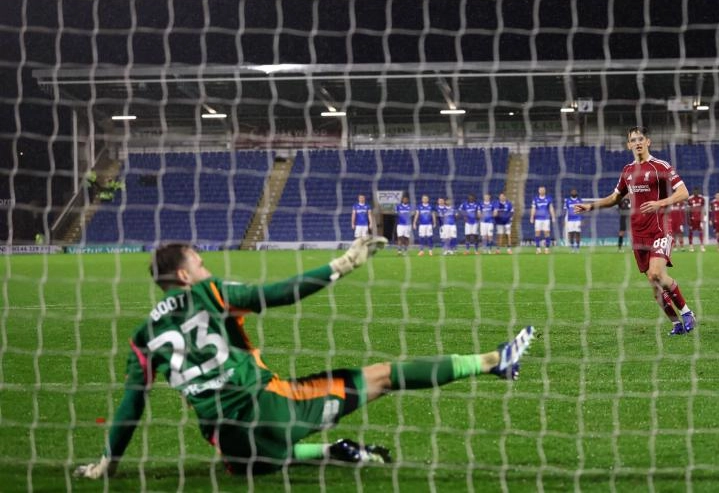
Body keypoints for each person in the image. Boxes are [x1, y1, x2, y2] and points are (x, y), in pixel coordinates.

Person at [73, 239, 535, 479]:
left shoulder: (142, 336)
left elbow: (131, 405)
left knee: (250, 460)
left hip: (227, 443)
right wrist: (341, 265)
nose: (206, 268)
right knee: (381, 376)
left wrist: (109, 464)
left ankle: (330, 452)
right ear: (183, 274)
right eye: (200, 262)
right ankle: (493, 361)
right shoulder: (209, 294)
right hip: (268, 407)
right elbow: (273, 294)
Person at [574, 126, 697, 336]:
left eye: (641, 139)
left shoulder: (661, 166)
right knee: (653, 283)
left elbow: (684, 193)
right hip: (638, 234)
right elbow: (614, 199)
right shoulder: (627, 171)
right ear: (628, 144)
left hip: (659, 230)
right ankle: (676, 324)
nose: (638, 142)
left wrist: (661, 203)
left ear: (648, 142)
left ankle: (687, 312)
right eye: (633, 140)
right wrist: (590, 206)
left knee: (657, 274)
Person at [529, 186, 555, 254]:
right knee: (537, 233)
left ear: (545, 191)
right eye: (540, 190)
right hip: (538, 219)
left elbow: (551, 208)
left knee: (547, 233)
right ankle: (538, 248)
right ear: (538, 191)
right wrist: (532, 217)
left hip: (546, 219)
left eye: (543, 190)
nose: (542, 191)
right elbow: (533, 209)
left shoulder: (549, 198)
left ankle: (547, 248)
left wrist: (553, 217)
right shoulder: (535, 199)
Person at [562, 188, 583, 253]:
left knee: (578, 233)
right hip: (570, 220)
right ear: (571, 193)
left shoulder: (580, 200)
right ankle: (572, 248)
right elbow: (565, 211)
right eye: (572, 191)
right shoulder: (567, 201)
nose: (574, 192)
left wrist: (582, 220)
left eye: (575, 191)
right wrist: (564, 220)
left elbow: (582, 211)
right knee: (571, 234)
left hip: (578, 219)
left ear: (576, 193)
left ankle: (578, 248)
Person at [686, 187, 706, 252]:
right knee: (691, 232)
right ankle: (691, 246)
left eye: (697, 191)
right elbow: (688, 210)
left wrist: (704, 218)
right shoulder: (690, 199)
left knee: (701, 232)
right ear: (693, 191)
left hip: (700, 219)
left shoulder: (702, 198)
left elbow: (703, 209)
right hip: (692, 219)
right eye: (695, 191)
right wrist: (688, 219)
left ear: (698, 191)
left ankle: (702, 246)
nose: (696, 192)